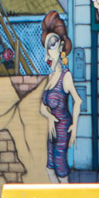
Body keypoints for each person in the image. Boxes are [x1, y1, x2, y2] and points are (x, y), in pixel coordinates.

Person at [38, 11, 82, 184]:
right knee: (49, 168)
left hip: (63, 129)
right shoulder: (50, 79)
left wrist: (75, 128)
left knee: (60, 169)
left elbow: (77, 101)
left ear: (62, 45)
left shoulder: (66, 76)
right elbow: (42, 107)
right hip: (52, 130)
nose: (50, 50)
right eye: (48, 46)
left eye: (53, 44)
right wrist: (49, 117)